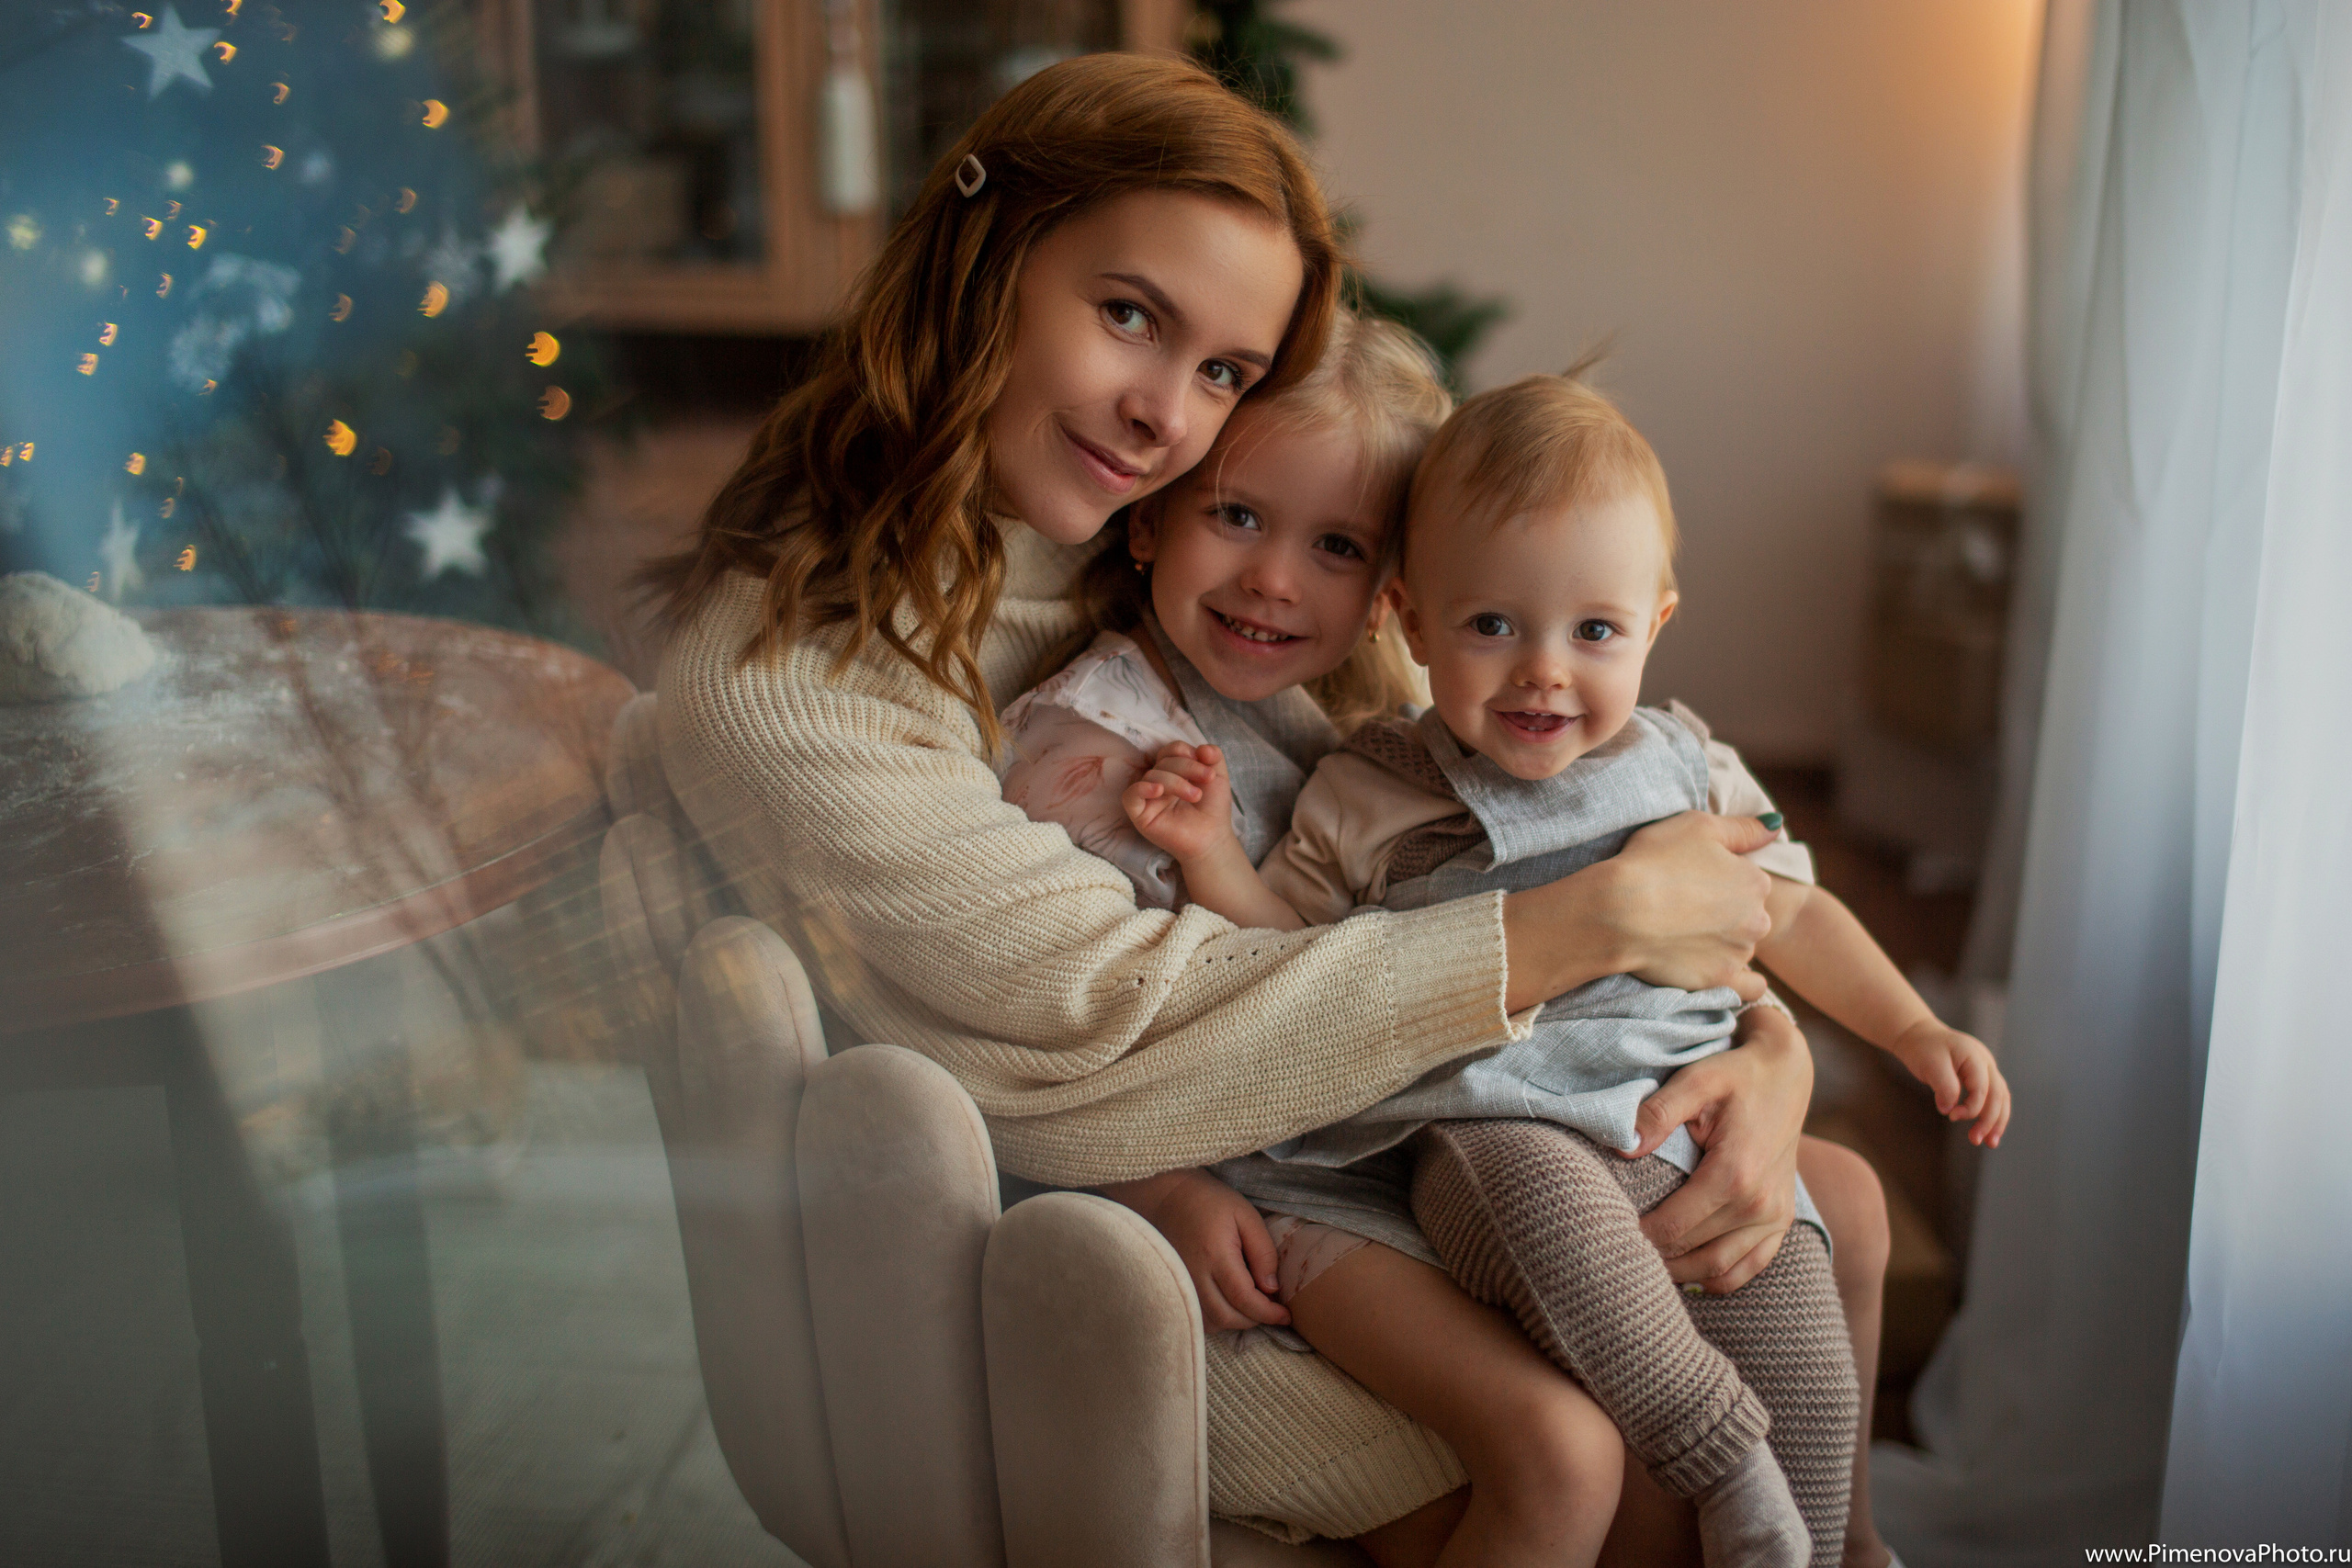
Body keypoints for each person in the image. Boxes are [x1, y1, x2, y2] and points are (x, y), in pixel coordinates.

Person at [647, 51, 1826, 1561]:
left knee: (1823, 1217)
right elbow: (1106, 1017)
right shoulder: (792, 677)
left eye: (1221, 374)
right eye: (1130, 315)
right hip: (1133, 1240)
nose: (1164, 417)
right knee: (1638, 1463)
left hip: (1378, 1132)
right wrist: (1584, 927)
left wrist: (1768, 1048)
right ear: (984, 265)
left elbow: (1524, 775)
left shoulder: (1161, 552)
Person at [1118, 370, 2009, 1564]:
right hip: (1486, 1132)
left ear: (1655, 624)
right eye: (1493, 626)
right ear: (1411, 622)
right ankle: (1718, 1450)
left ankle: (1819, 1538)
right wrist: (1210, 854)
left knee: (1795, 1307)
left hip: (1668, 1120)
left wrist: (1915, 1033)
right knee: (1536, 1191)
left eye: (1593, 631)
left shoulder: (1684, 763)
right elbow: (1288, 958)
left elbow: (1795, 916)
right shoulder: (1370, 788)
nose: (1544, 670)